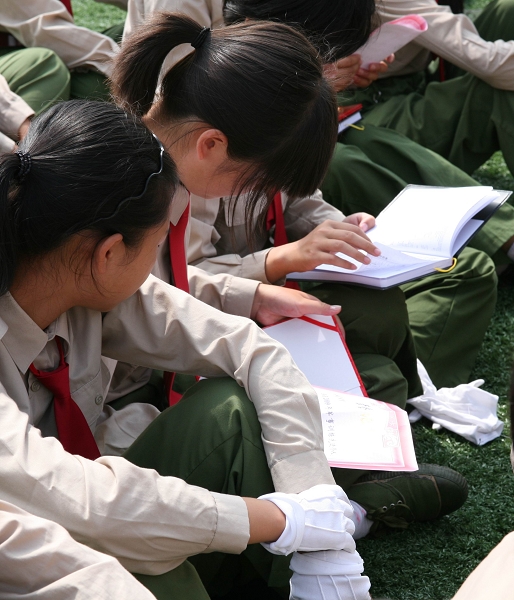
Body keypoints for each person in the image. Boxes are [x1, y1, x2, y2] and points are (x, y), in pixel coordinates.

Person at [0, 98, 391, 600]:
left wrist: (317, 517)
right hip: (31, 535)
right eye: (157, 244)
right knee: (159, 577)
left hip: (85, 494)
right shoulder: (78, 273)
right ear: (110, 252)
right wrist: (282, 519)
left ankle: (334, 523)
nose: (160, 263)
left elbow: (250, 348)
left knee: (232, 409)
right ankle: (342, 520)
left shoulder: (74, 273)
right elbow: (79, 501)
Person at [223, 0, 514, 269]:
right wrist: (319, 82)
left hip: (356, 99)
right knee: (350, 154)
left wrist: (337, 225)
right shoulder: (224, 101)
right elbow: (199, 280)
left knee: (468, 276)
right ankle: (501, 237)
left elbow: (302, 207)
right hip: (326, 110)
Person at [0, 0, 120, 100]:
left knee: (129, 36)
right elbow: (48, 32)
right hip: (16, 61)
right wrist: (123, 69)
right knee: (45, 64)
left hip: (47, 48)